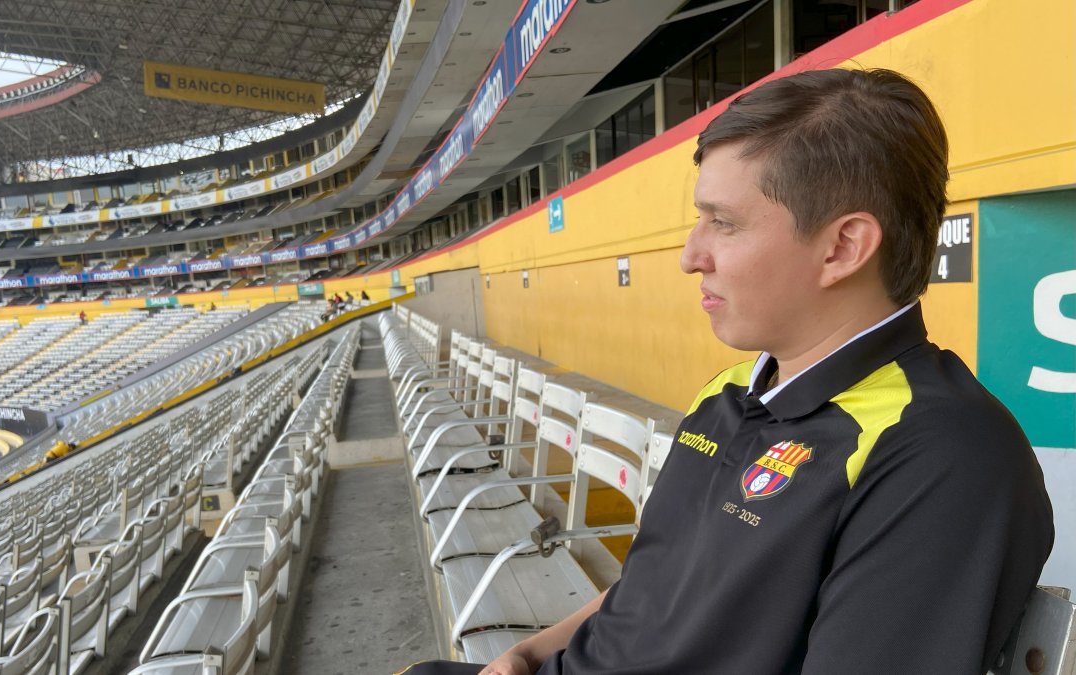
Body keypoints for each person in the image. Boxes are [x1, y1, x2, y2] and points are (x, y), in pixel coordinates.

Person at [403, 68, 1053, 675]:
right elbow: (654, 589)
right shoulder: (729, 390)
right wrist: (527, 652)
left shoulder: (942, 454)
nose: (691, 255)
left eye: (723, 222)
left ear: (844, 247)